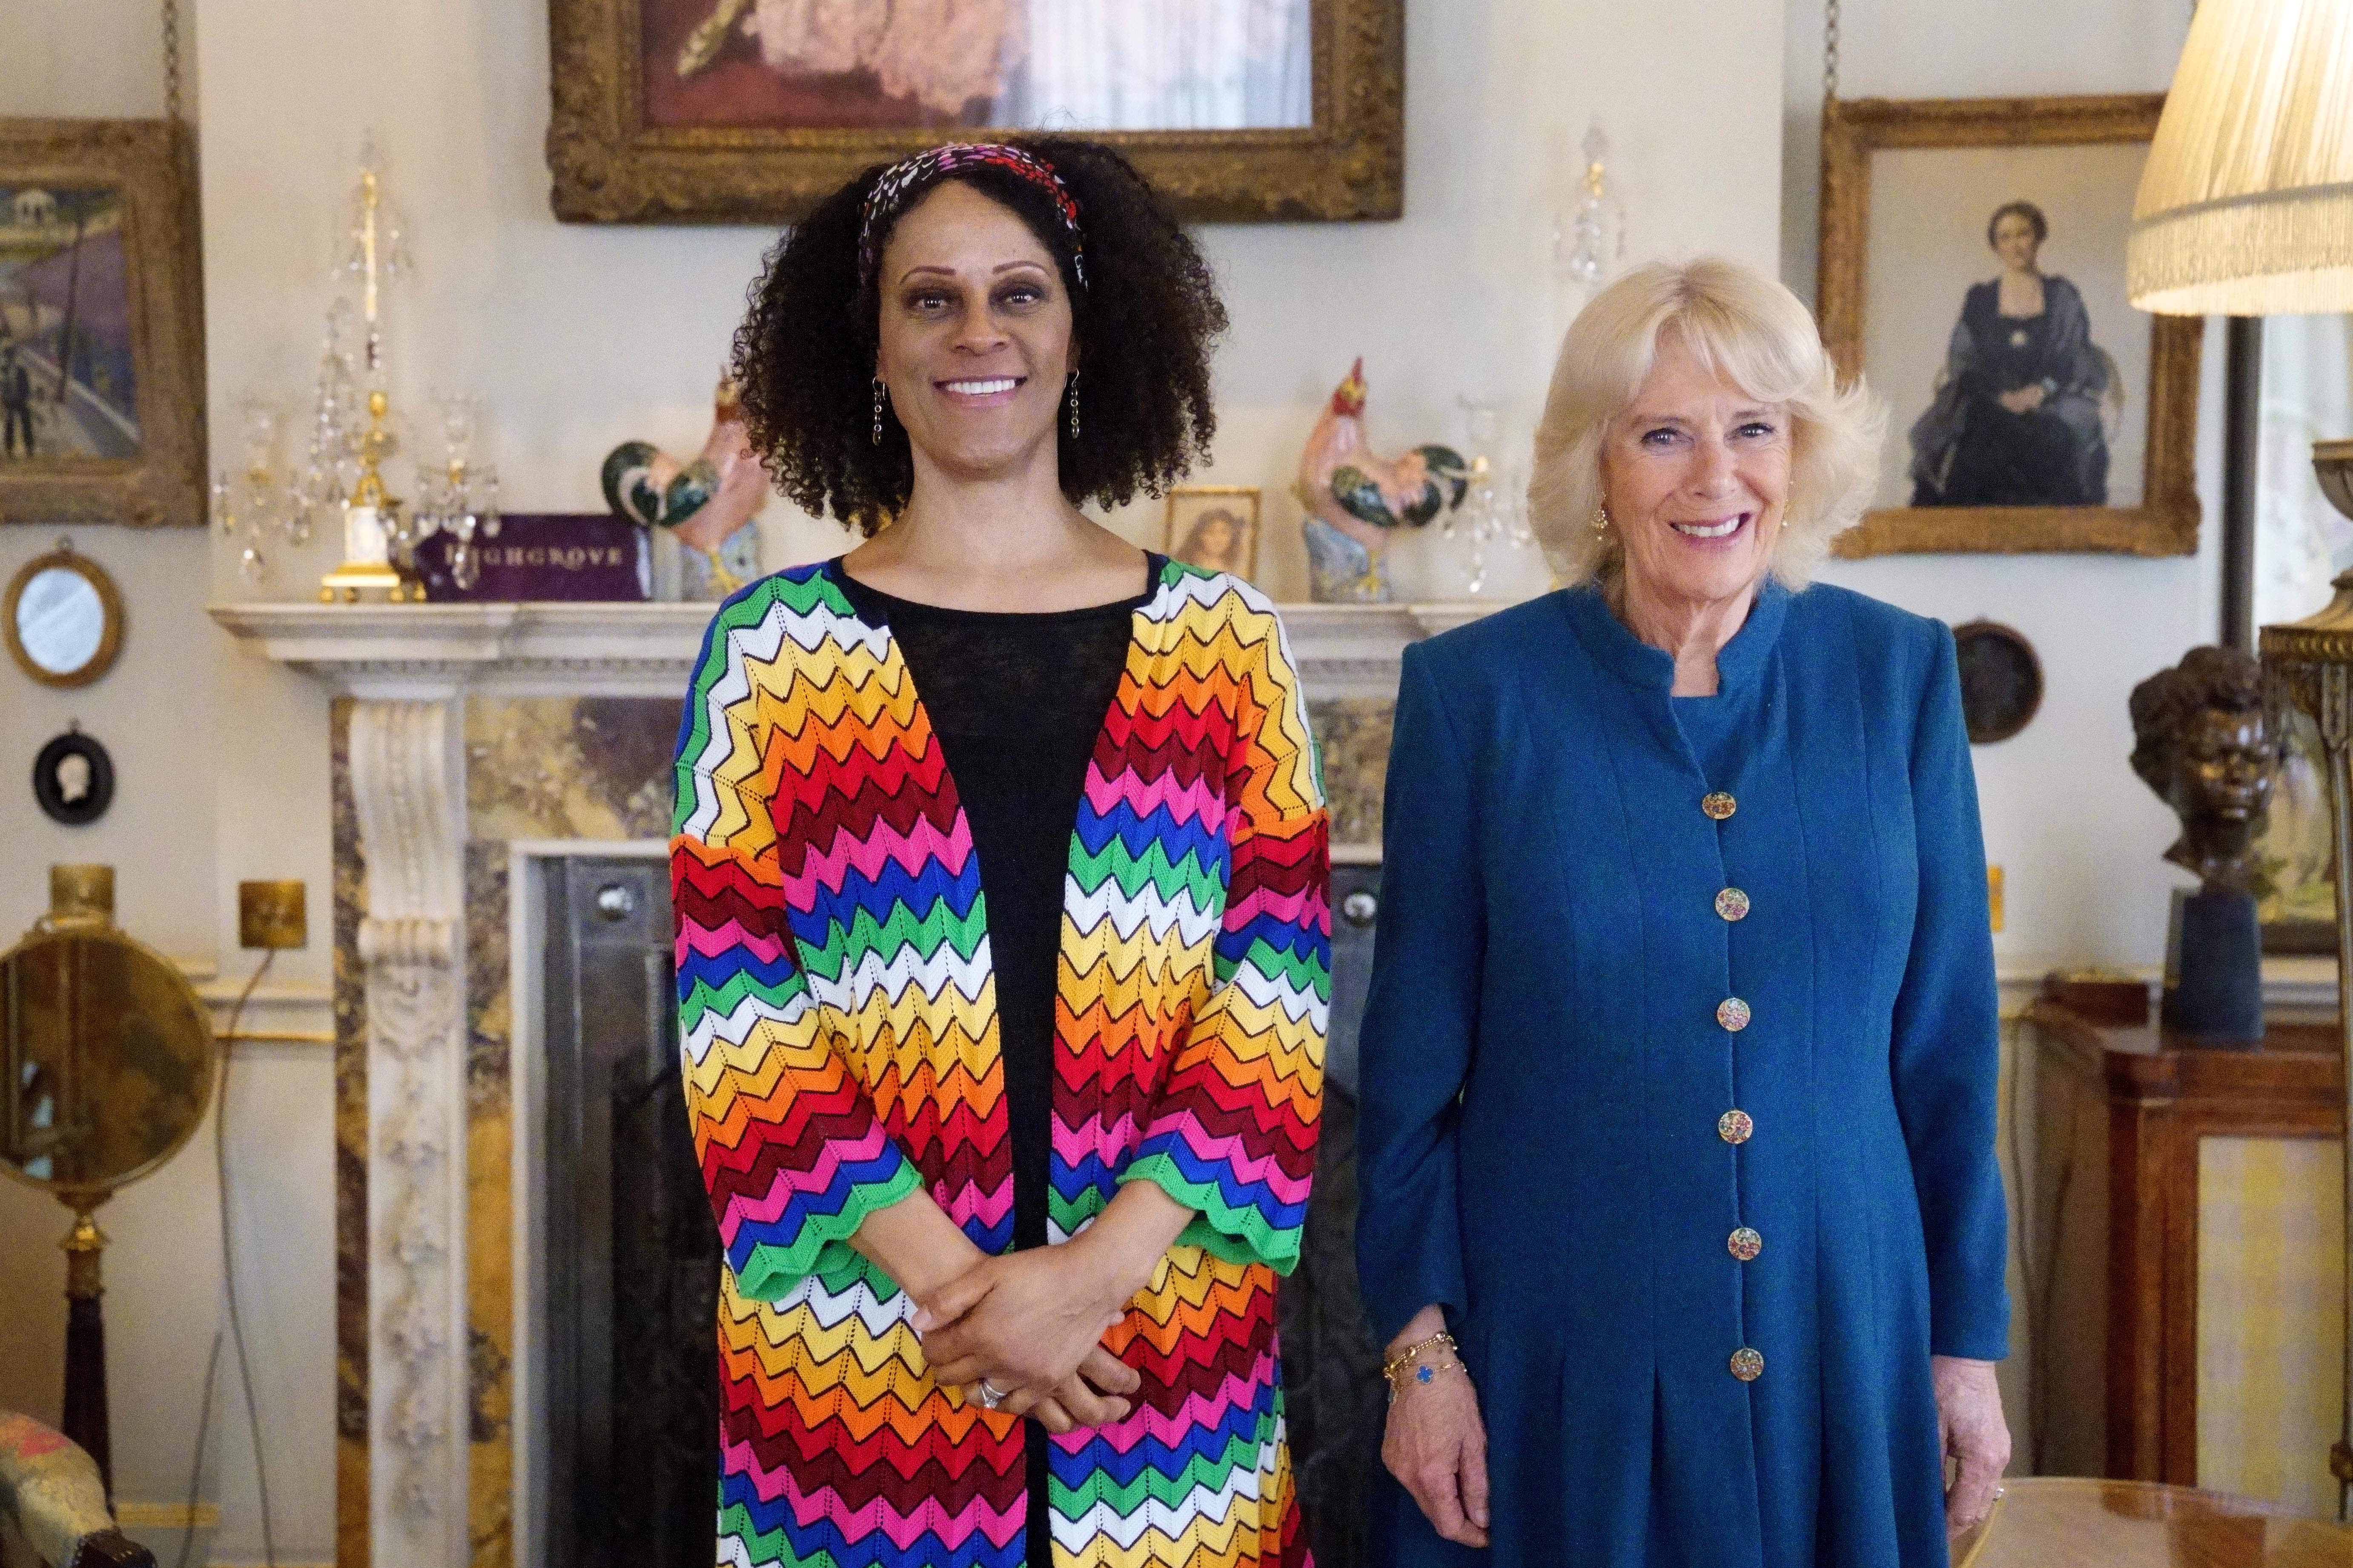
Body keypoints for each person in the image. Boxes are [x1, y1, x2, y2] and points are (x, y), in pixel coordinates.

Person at [671, 138, 1330, 1568]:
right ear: (872, 347)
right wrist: (979, 1298)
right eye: (932, 300)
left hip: (1158, 1349)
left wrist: (1091, 1276)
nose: (979, 333)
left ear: (1087, 332)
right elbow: (739, 1017)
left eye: (1020, 293)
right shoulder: (770, 652)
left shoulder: (1225, 644)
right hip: (863, 1351)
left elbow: (1272, 987)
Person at [1355, 258, 2012, 1567]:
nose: (1717, 476)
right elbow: (1411, 1077)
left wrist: (1965, 1349)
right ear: (1597, 470)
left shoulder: (1898, 675)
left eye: (1753, 429)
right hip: (1564, 1357)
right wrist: (1420, 1357)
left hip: (1846, 1343)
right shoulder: (1475, 701)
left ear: (1801, 453)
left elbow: (1947, 1048)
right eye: (1663, 434)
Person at [1909, 200, 2112, 507]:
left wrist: (2042, 391)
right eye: (2004, 237)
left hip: (2050, 403)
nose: (2015, 245)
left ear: (2038, 239)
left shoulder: (2062, 295)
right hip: (1990, 402)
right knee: (1975, 438)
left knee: (2058, 437)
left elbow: (2075, 357)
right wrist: (2001, 397)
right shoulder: (1979, 299)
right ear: (1994, 245)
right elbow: (1963, 363)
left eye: (2023, 234)